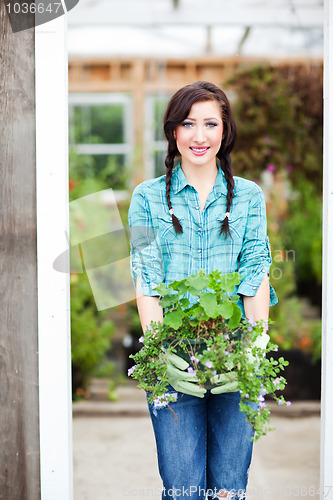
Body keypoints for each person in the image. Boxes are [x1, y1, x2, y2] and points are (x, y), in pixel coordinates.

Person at [128, 81, 277, 500]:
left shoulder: (248, 196)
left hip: (234, 353)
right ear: (173, 131)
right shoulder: (146, 198)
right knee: (182, 490)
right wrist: (159, 355)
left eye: (210, 123)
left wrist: (253, 351)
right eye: (188, 123)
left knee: (229, 489)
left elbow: (255, 272)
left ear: (224, 131)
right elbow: (147, 274)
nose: (199, 135)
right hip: (174, 353)